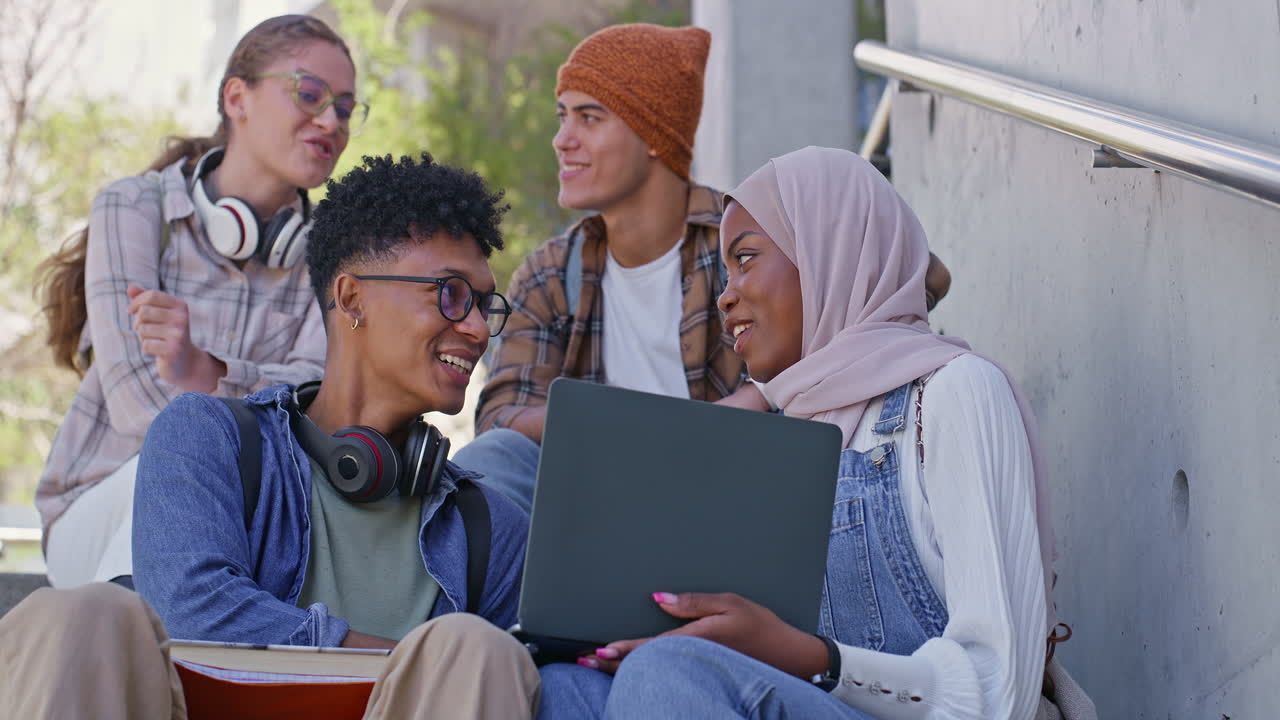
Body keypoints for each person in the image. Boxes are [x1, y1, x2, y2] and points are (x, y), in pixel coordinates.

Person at [534, 147, 1094, 719]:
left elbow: (999, 690)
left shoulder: (954, 393)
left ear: (832, 254)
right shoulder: (775, 437)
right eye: (726, 272)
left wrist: (810, 658)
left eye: (746, 258)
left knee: (667, 675)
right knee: (564, 688)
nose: (726, 296)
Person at [1, 153, 541, 720]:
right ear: (353, 298)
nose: (478, 328)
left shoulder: (490, 529)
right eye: (452, 294)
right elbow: (194, 610)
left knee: (477, 649)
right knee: (82, 614)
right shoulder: (211, 440)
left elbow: (542, 666)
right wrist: (396, 658)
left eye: (484, 305)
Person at [459, 24, 952, 512]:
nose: (562, 140)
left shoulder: (747, 231)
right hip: (600, 500)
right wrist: (654, 425)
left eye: (589, 118)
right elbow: (501, 418)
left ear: (652, 133)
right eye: (562, 117)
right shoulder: (549, 275)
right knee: (496, 462)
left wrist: (763, 393)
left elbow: (923, 275)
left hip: (736, 491)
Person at [33, 14, 359, 588]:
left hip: (252, 521)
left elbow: (318, 398)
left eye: (346, 107)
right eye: (310, 93)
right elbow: (136, 407)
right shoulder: (135, 209)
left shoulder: (334, 255)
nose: (331, 119)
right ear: (237, 97)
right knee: (172, 472)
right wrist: (248, 395)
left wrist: (206, 372)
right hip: (100, 512)